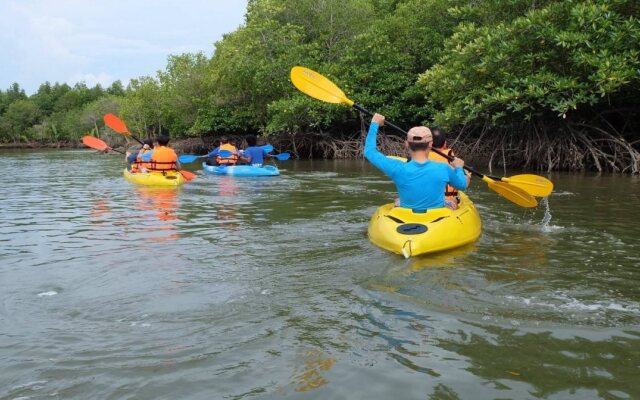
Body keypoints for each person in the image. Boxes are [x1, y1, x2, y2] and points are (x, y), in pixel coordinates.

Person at [364, 113, 468, 211]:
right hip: (437, 217)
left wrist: (375, 123)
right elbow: (462, 185)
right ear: (430, 144)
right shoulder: (444, 168)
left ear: (406, 144)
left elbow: (369, 152)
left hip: (407, 216)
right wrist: (458, 167)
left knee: (398, 201)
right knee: (451, 201)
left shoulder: (397, 168)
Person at [428, 128, 471, 209]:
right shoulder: (452, 161)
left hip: (425, 201)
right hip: (447, 201)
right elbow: (463, 185)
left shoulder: (421, 158)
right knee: (466, 177)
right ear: (444, 144)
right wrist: (467, 176)